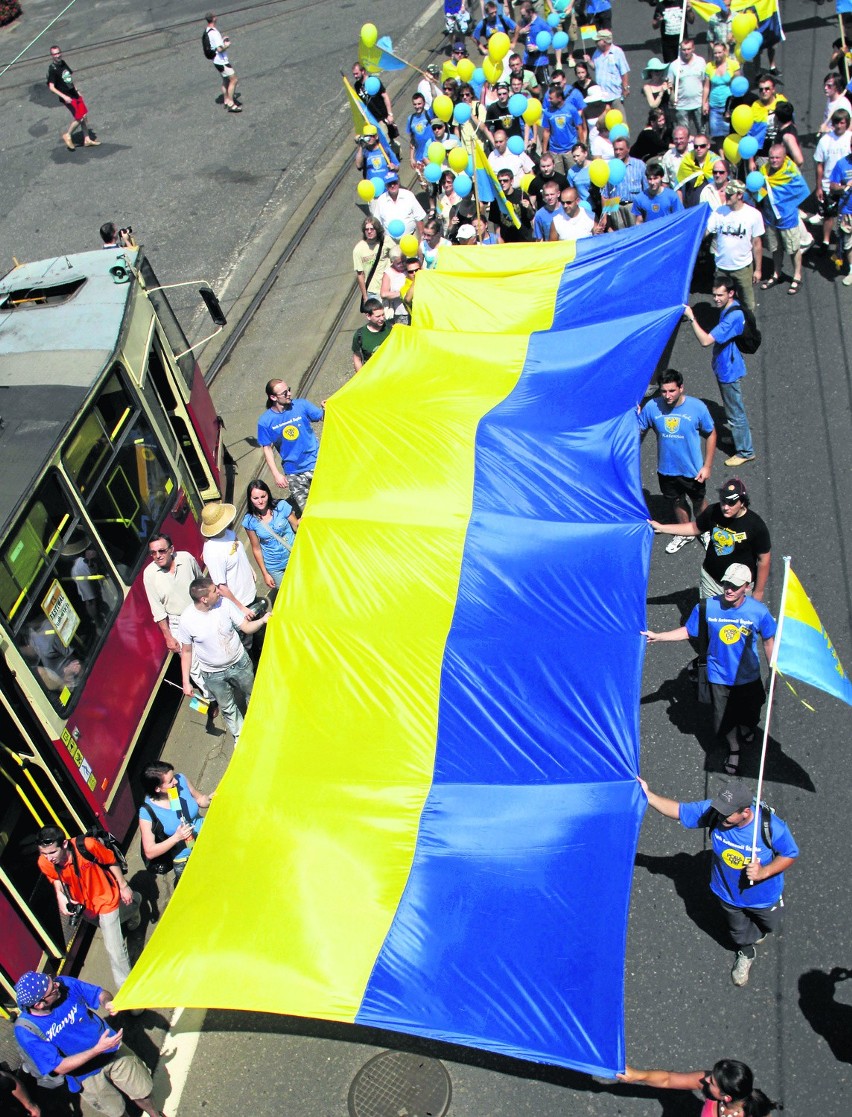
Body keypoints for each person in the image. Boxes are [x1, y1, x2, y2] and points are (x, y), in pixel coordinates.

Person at [638, 778, 798, 986]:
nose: (720, 817)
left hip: (764, 897)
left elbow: (790, 853)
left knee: (768, 924)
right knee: (739, 932)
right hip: (727, 893)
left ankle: (758, 931)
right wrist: (648, 795)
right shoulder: (716, 812)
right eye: (719, 810)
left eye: (727, 814)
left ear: (745, 813)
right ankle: (746, 952)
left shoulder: (772, 828)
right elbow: (679, 811)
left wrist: (763, 872)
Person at [643, 561, 776, 770]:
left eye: (735, 586)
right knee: (724, 719)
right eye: (726, 584)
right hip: (718, 676)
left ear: (747, 587)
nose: (729, 590)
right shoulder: (706, 607)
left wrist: (772, 672)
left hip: (749, 676)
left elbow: (769, 641)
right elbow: (688, 631)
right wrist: (659, 636)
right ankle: (734, 749)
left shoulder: (758, 612)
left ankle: (747, 727)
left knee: (752, 711)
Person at [13, 972, 164, 1116]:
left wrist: (107, 1002)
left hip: (112, 1050)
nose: (57, 986)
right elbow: (59, 1066)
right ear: (39, 1004)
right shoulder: (27, 1030)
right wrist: (97, 1049)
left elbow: (100, 993)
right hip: (85, 1076)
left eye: (52, 981)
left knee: (142, 1092)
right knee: (116, 1111)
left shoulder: (64, 983)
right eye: (52, 989)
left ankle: (155, 1114)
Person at [35, 827, 141, 989]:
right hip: (86, 908)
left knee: (114, 950)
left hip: (106, 898)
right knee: (114, 923)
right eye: (44, 854)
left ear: (64, 844)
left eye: (52, 852)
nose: (49, 858)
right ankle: (135, 904)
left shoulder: (87, 846)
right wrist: (61, 896)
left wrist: (124, 886)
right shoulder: (44, 862)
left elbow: (111, 861)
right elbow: (55, 878)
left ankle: (128, 991)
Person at [177, 576, 270, 745]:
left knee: (252, 694)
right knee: (227, 707)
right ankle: (241, 737)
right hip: (213, 675)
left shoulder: (225, 604)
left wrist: (262, 621)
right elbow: (187, 651)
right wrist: (186, 681)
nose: (219, 591)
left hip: (239, 663)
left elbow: (246, 628)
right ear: (204, 599)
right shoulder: (186, 620)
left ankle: (259, 724)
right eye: (214, 591)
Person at [651, 475, 771, 601]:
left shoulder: (756, 525)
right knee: (710, 617)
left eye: (731, 503)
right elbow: (694, 528)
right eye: (723, 501)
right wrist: (662, 528)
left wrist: (758, 592)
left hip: (739, 586)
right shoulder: (713, 511)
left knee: (737, 619)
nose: (725, 507)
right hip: (711, 580)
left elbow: (764, 559)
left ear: (742, 502)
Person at [639, 368, 716, 554]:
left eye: (672, 390)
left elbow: (711, 433)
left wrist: (707, 466)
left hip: (692, 470)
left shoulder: (697, 408)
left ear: (681, 388)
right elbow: (638, 430)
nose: (667, 396)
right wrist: (633, 416)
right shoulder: (652, 407)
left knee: (698, 501)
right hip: (667, 469)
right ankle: (685, 532)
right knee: (676, 500)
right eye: (664, 391)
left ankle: (703, 529)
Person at [682, 276, 755, 468]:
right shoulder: (732, 307)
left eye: (719, 295)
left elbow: (706, 341)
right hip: (726, 365)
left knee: (735, 412)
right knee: (732, 408)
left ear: (730, 293)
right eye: (714, 295)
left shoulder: (732, 317)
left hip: (728, 370)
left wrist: (692, 318)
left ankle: (745, 451)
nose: (716, 299)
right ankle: (740, 439)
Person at [142, 534, 213, 706]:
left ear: (171, 550)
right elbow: (157, 611)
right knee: (193, 665)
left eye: (161, 551)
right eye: (153, 553)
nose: (157, 556)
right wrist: (168, 637)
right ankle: (212, 697)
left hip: (199, 611)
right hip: (177, 622)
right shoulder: (149, 574)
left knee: (212, 649)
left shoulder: (186, 558)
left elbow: (201, 582)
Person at [618, 1058, 781, 1117]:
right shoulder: (714, 1084)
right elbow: (669, 1079)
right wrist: (638, 1075)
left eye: (713, 1082)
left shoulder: (755, 1111)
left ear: (727, 1097)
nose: (707, 1079)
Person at [138, 761, 212, 883]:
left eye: (174, 776)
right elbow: (150, 852)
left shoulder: (181, 779)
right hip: (187, 859)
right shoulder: (147, 811)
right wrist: (177, 837)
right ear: (157, 789)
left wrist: (209, 799)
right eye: (170, 781)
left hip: (209, 836)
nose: (176, 782)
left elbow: (199, 799)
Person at [257, 379, 325, 510]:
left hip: (316, 462)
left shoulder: (301, 405)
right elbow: (267, 449)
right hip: (294, 472)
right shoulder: (265, 422)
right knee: (307, 510)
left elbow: (322, 417)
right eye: (284, 393)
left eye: (288, 389)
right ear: (273, 397)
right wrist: (276, 474)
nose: (289, 393)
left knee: (328, 499)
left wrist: (325, 409)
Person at [758, 144, 810, 295]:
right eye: (771, 157)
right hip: (770, 216)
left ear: (784, 157)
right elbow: (760, 189)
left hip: (787, 217)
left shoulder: (790, 171)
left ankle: (797, 276)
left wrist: (788, 206)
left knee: (793, 249)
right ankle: (776, 273)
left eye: (777, 158)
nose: (773, 160)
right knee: (775, 248)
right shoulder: (764, 170)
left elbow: (802, 191)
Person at [705, 179, 764, 313]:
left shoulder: (753, 215)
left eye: (730, 195)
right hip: (722, 267)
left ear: (739, 195)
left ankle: (749, 328)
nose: (726, 197)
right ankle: (727, 327)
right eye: (726, 194)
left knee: (747, 303)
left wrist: (758, 270)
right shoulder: (719, 212)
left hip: (742, 268)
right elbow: (705, 232)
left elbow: (757, 243)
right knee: (722, 302)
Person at [200, 502, 258, 626]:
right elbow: (221, 587)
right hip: (241, 603)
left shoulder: (229, 533)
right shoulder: (212, 551)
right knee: (249, 641)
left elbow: (239, 551)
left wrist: (250, 569)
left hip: (249, 593)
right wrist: (241, 608)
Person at [243, 479, 299, 589]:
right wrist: (265, 574)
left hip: (294, 555)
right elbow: (256, 549)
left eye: (263, 496)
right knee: (287, 595)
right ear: (250, 499)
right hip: (274, 566)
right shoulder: (249, 521)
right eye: (255, 498)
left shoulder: (281, 506)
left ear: (268, 494)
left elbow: (296, 526)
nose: (260, 501)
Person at [47, 44, 101, 150]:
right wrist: (64, 97)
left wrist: (77, 90)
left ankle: (87, 139)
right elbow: (51, 87)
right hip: (67, 97)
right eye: (55, 54)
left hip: (73, 93)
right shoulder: (52, 69)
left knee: (84, 115)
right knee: (79, 117)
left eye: (58, 53)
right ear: (51, 56)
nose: (57, 55)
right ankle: (68, 135)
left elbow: (69, 78)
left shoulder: (63, 63)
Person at [813, 109, 851, 253]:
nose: (839, 125)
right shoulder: (825, 140)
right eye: (837, 122)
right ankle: (826, 240)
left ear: (847, 124)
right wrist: (819, 187)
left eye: (842, 122)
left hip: (848, 185)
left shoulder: (850, 138)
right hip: (830, 185)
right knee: (829, 215)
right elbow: (819, 165)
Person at [540, 84, 586, 175]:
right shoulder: (548, 112)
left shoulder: (571, 109)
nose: (548, 100)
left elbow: (579, 127)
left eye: (551, 98)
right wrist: (544, 151)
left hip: (570, 149)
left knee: (575, 175)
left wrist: (582, 145)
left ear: (560, 98)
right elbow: (546, 131)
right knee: (559, 177)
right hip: (555, 151)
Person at [667, 38, 706, 136]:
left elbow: (705, 82)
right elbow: (669, 85)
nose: (686, 52)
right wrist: (672, 97)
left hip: (698, 103)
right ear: (680, 50)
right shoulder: (674, 65)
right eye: (683, 49)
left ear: (693, 49)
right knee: (684, 135)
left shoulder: (701, 62)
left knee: (702, 132)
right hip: (682, 106)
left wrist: (705, 102)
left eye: (688, 49)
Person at [352, 62, 397, 145]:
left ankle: (394, 154)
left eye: (356, 73)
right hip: (371, 120)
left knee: (386, 143)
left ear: (363, 71)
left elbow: (385, 96)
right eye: (353, 74)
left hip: (382, 118)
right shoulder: (357, 86)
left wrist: (390, 114)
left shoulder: (374, 81)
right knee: (375, 143)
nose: (355, 76)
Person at [204, 13, 241, 112]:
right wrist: (227, 45)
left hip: (216, 61)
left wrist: (222, 40)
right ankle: (231, 103)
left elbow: (214, 44)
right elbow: (220, 49)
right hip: (222, 61)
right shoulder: (214, 33)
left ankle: (225, 100)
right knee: (234, 80)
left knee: (226, 80)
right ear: (214, 18)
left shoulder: (208, 30)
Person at [371, 175, 426, 240]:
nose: (392, 185)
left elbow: (419, 217)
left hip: (410, 238)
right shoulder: (381, 200)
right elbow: (377, 222)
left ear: (398, 183)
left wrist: (422, 238)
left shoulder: (409, 195)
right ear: (386, 186)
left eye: (394, 182)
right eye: (389, 184)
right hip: (390, 241)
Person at [703, 41, 739, 143]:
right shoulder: (709, 66)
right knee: (717, 135)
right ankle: (722, 157)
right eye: (715, 53)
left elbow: (739, 84)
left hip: (728, 106)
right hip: (714, 106)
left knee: (730, 133)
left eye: (719, 52)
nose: (717, 55)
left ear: (725, 52)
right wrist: (704, 103)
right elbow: (706, 87)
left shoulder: (733, 64)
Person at [353, 216, 392, 307]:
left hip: (389, 288)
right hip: (373, 292)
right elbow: (360, 275)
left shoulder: (386, 241)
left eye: (372, 229)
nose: (369, 231)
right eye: (367, 229)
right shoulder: (358, 249)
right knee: (379, 319)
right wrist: (365, 296)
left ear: (377, 229)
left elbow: (397, 255)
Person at [588, 30, 629, 114]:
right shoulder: (596, 53)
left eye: (597, 41)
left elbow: (624, 72)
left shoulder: (617, 52)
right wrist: (588, 61)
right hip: (601, 96)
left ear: (604, 42)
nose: (595, 43)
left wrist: (625, 88)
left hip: (615, 95)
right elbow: (595, 68)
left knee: (620, 121)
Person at [829, 141, 852, 284]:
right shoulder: (841, 164)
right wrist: (845, 187)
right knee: (849, 243)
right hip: (847, 212)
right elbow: (832, 186)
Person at [352, 297, 393, 371]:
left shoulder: (390, 328)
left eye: (383, 315)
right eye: (378, 316)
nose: (382, 318)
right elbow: (357, 358)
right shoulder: (360, 335)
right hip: (373, 375)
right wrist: (362, 377)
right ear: (368, 316)